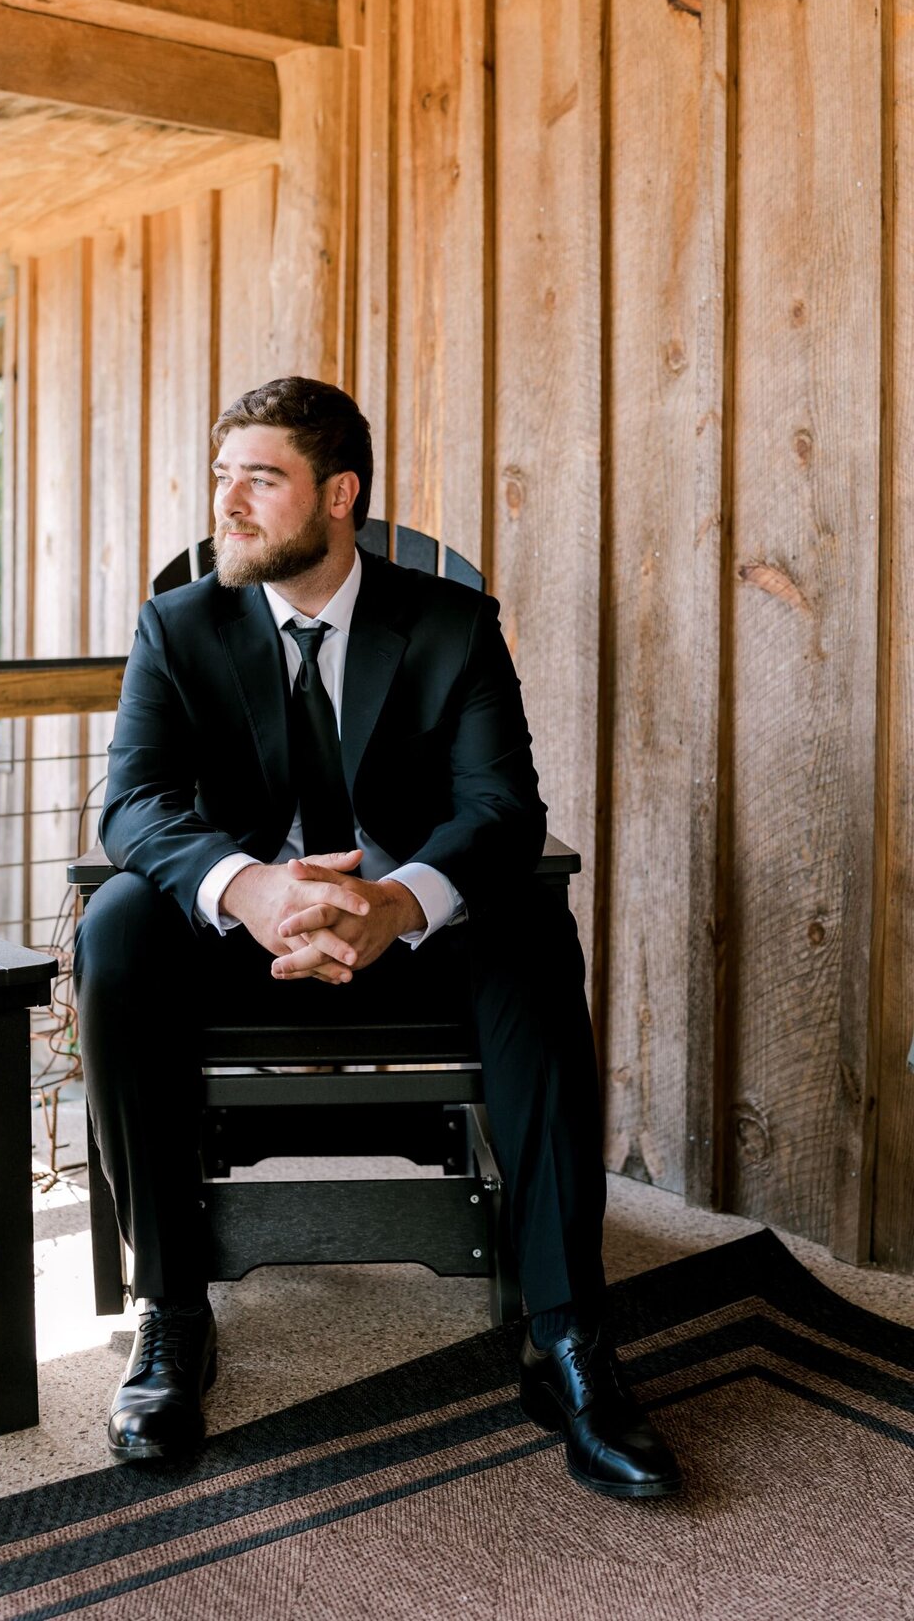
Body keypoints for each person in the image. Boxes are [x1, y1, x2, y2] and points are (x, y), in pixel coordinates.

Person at [74, 376, 680, 1500]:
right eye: (222, 478)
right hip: (242, 945)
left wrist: (398, 904)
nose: (229, 504)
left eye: (261, 480)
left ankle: (566, 1336)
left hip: (411, 941)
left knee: (533, 924)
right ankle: (173, 1315)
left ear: (339, 494)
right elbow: (136, 804)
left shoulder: (449, 624)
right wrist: (249, 887)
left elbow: (502, 807)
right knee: (115, 926)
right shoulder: (180, 626)